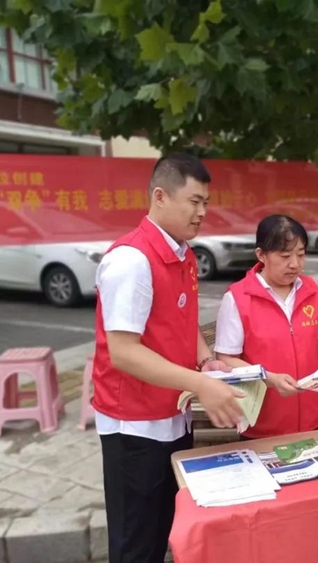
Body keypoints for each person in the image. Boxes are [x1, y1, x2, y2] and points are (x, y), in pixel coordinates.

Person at [92, 153, 244, 563]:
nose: (202, 213)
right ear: (160, 196)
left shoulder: (183, 255)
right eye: (194, 201)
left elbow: (182, 319)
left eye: (206, 203)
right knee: (135, 546)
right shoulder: (131, 261)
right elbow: (123, 352)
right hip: (134, 428)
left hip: (172, 416)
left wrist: (206, 360)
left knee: (164, 533)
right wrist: (200, 385)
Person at [214, 214, 318, 439]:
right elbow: (226, 359)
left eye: (301, 254)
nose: (295, 264)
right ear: (261, 255)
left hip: (312, 419)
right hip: (262, 427)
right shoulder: (238, 297)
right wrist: (270, 378)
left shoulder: (311, 289)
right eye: (285, 255)